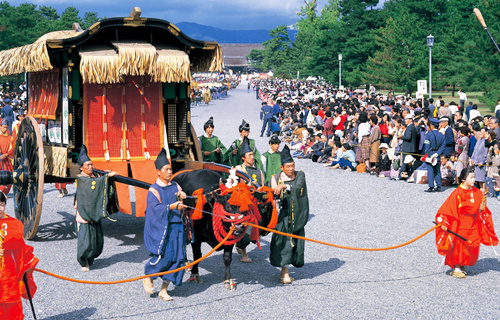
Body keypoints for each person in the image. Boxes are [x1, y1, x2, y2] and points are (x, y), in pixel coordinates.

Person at [435, 167, 498, 278]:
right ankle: (457, 267)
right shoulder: (457, 193)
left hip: (473, 223)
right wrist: (444, 223)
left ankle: (463, 264)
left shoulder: (477, 192)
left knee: (472, 244)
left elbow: (480, 209)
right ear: (463, 179)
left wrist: (482, 207)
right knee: (459, 245)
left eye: (474, 177)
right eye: (471, 177)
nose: (474, 179)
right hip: (460, 223)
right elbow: (447, 209)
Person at [143, 148, 187, 301]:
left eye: (170, 169)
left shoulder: (175, 185)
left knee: (179, 259)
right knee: (166, 257)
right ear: (158, 171)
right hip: (165, 229)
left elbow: (181, 196)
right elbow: (154, 210)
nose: (169, 172)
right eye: (166, 169)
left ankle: (163, 290)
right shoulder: (154, 190)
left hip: (178, 227)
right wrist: (172, 206)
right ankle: (149, 274)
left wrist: (183, 196)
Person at [75, 145, 118, 272]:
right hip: (85, 212)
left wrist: (106, 174)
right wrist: (107, 178)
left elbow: (98, 180)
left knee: (96, 238)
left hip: (92, 209)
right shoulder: (82, 179)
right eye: (87, 165)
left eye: (91, 164)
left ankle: (91, 257)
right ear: (81, 167)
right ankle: (84, 261)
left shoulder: (93, 175)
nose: (90, 167)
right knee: (86, 238)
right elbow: (94, 184)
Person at [270, 145, 309, 283]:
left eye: (293, 165)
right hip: (283, 216)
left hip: (297, 214)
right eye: (288, 166)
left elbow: (298, 188)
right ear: (282, 167)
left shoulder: (300, 175)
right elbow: (273, 196)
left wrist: (284, 186)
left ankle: (285, 271)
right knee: (285, 243)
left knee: (295, 243)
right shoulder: (275, 177)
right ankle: (284, 273)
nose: (291, 169)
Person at [0, 191, 39, 320]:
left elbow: (21, 247)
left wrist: (27, 265)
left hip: (9, 272)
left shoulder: (13, 224)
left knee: (11, 306)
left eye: (1, 204)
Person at [234, 137, 265, 263]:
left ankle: (241, 247)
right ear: (243, 157)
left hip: (256, 205)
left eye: (252, 154)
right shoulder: (240, 169)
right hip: (242, 204)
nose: (252, 157)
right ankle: (243, 252)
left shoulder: (259, 171)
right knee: (245, 230)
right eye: (249, 155)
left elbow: (262, 186)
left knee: (257, 229)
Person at [423, 118, 445, 192]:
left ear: (432, 125)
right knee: (437, 170)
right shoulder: (441, 135)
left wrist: (430, 154)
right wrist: (437, 153)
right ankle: (439, 185)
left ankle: (431, 186)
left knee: (430, 170)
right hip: (437, 154)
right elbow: (443, 146)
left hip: (430, 154)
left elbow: (427, 146)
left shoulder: (428, 134)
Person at [0, 119, 13, 195]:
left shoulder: (9, 138)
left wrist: (6, 155)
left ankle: (2, 192)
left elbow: (12, 149)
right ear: (0, 127)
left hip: (6, 160)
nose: (5, 129)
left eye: (7, 127)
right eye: (4, 127)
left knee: (8, 176)